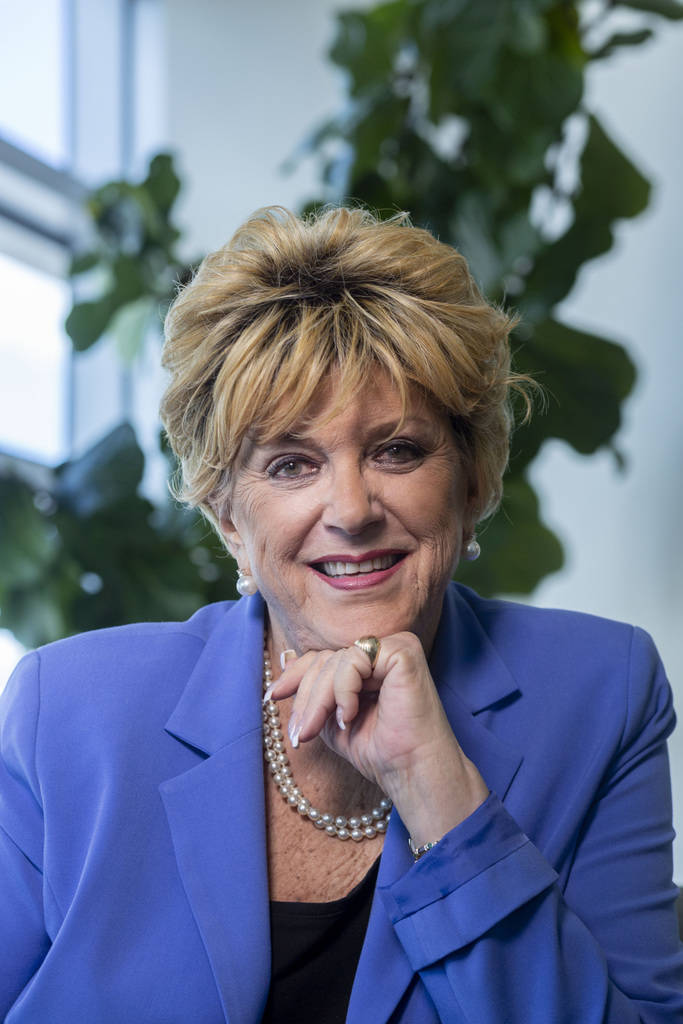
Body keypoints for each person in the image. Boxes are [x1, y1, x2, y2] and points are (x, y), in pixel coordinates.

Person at [0, 206, 681, 1023]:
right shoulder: (68, 709)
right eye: (292, 464)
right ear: (228, 519)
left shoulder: (601, 695)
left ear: (472, 481)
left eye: (397, 450)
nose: (351, 510)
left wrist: (441, 800)